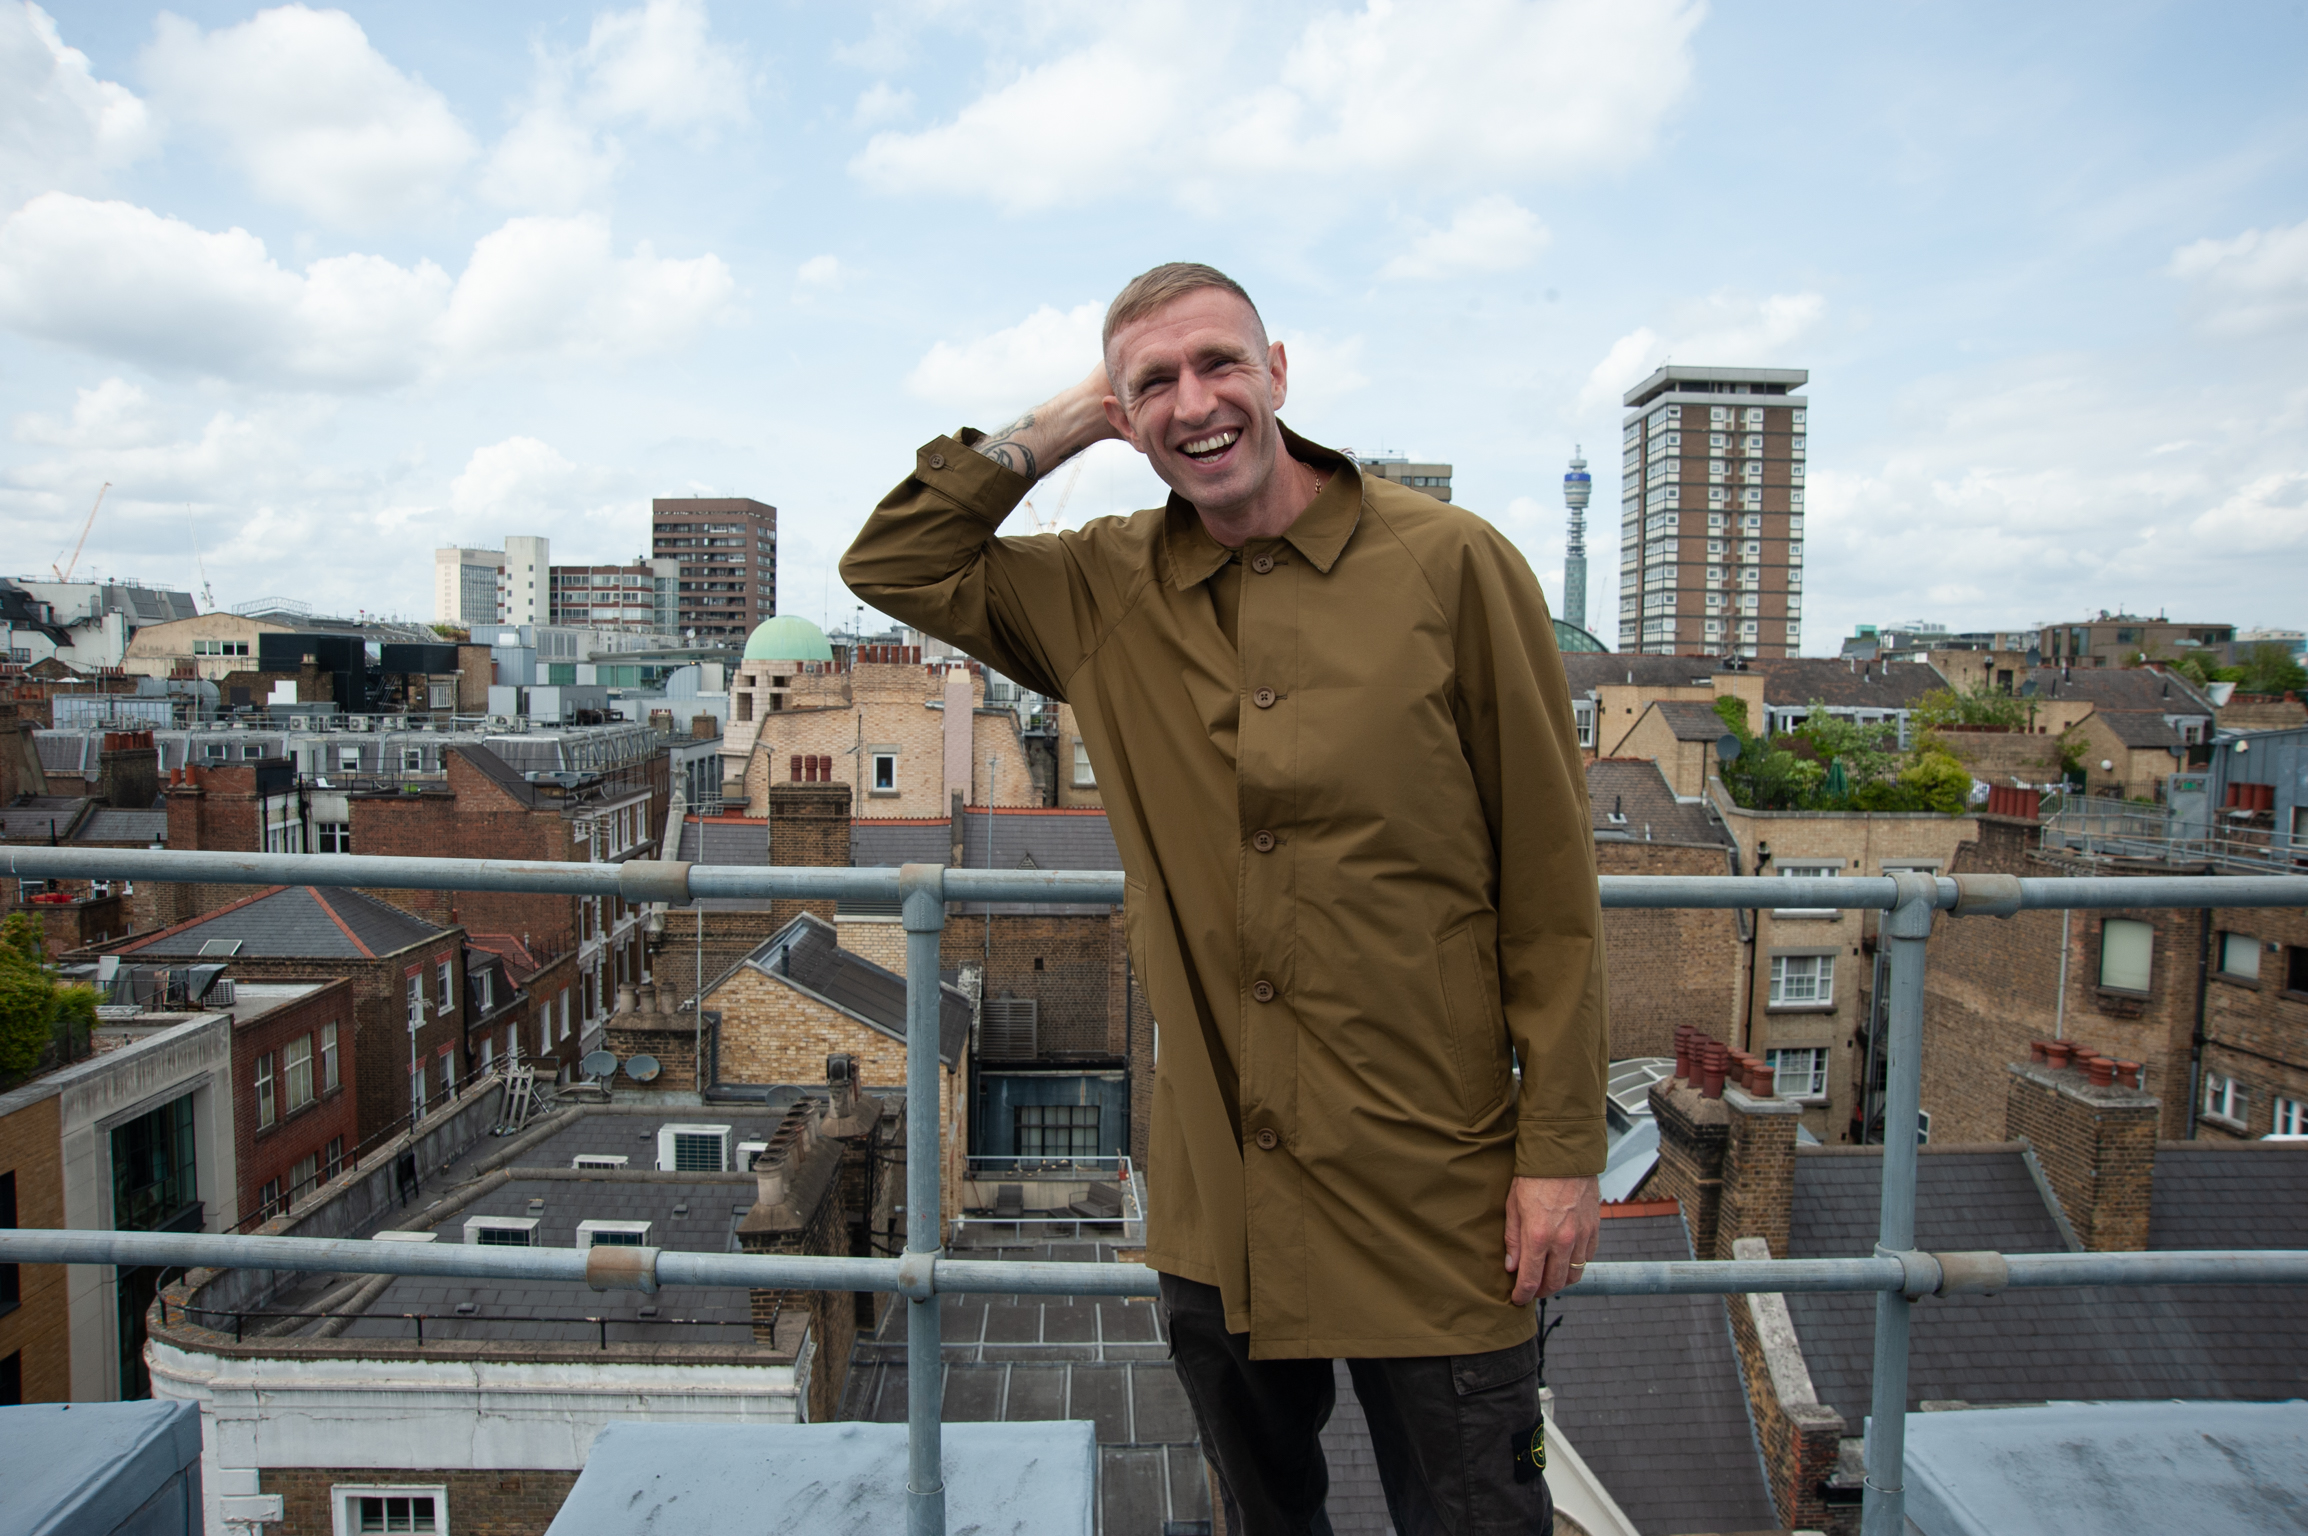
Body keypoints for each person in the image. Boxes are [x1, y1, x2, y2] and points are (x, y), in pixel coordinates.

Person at [843, 262, 1608, 1535]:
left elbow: (1548, 880)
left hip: (1439, 1184)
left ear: (1280, 373)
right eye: (1154, 384)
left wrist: (1563, 1153)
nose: (1195, 403)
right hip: (1224, 1197)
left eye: (1219, 365)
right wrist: (1067, 420)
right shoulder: (1100, 586)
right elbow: (897, 560)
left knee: (1477, 1514)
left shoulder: (1453, 566)